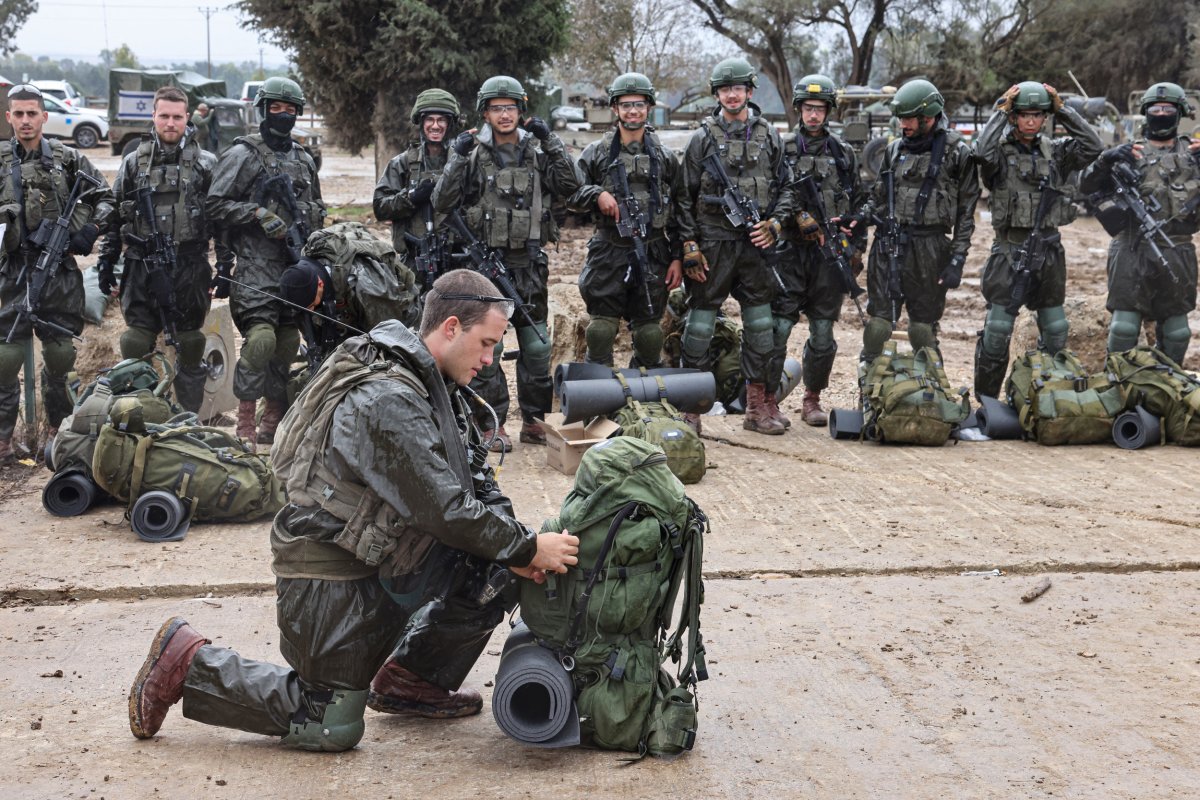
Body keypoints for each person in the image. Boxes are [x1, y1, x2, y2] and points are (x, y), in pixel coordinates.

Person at [127, 269, 581, 752]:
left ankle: (412, 678)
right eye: (486, 343)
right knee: (330, 723)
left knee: (500, 564)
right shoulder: (390, 397)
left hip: (381, 553)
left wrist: (520, 548)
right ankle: (188, 660)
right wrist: (528, 546)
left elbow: (477, 484)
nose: (491, 360)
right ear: (451, 328)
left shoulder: (437, 384)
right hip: (330, 570)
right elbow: (445, 510)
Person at [433, 75, 581, 451]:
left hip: (530, 266)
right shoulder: (472, 154)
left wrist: (553, 141)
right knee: (488, 350)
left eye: (511, 107)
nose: (504, 115)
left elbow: (570, 186)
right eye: (497, 108)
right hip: (487, 269)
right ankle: (490, 423)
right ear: (485, 112)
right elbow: (442, 201)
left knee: (537, 347)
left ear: (521, 111)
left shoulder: (537, 152)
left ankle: (533, 420)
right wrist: (456, 155)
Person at [206, 76, 325, 448]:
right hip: (256, 267)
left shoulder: (304, 159)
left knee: (287, 343)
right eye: (276, 108)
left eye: (291, 110)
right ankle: (244, 424)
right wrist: (256, 213)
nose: (284, 116)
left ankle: (272, 418)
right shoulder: (243, 154)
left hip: (295, 266)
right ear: (263, 110)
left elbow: (318, 209)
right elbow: (214, 205)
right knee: (260, 342)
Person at [677, 58, 793, 435]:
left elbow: (787, 188)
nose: (731, 94)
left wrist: (775, 224)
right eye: (724, 89)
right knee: (699, 326)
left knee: (761, 326)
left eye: (738, 88)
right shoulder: (702, 138)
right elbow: (683, 197)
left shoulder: (770, 136)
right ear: (717, 95)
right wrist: (690, 245)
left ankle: (756, 406)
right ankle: (690, 409)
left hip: (756, 247)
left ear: (750, 92)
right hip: (713, 245)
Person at [0, 83, 113, 464]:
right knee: (5, 357)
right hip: (12, 270)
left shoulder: (68, 160)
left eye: (33, 113)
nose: (26, 121)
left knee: (61, 355)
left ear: (45, 117)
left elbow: (108, 199)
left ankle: (58, 432)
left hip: (59, 271)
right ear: (9, 117)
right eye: (19, 113)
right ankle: (4, 439)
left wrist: (90, 230)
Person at [971, 81, 1102, 399]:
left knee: (1056, 329)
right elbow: (980, 151)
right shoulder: (1000, 155)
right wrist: (1002, 109)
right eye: (1024, 114)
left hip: (1049, 249)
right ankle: (987, 400)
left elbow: (1093, 146)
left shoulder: (1057, 153)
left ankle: (1046, 395)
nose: (1031, 120)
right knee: (998, 329)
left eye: (1038, 114)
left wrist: (1063, 109)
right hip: (1010, 249)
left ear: (1045, 118)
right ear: (1015, 117)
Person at [96, 86, 221, 413]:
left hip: (190, 266)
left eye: (177, 117)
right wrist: (107, 262)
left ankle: (191, 420)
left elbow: (221, 218)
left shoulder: (206, 163)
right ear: (153, 116)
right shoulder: (132, 162)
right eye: (163, 116)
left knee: (191, 342)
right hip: (141, 267)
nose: (170, 123)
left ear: (187, 117)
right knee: (135, 342)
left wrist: (226, 265)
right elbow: (114, 213)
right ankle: (142, 416)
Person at [855, 79, 979, 370]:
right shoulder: (895, 149)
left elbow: (966, 213)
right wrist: (858, 218)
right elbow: (879, 197)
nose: (903, 124)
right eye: (900, 118)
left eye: (909, 118)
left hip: (931, 248)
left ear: (929, 117)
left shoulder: (958, 153)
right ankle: (868, 388)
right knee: (879, 325)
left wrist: (958, 258)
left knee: (922, 329)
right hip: (889, 244)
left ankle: (933, 392)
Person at [568, 72, 689, 368]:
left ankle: (646, 397)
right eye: (625, 105)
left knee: (649, 332)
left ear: (648, 108)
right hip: (609, 250)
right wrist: (597, 194)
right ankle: (599, 396)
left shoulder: (665, 157)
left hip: (654, 251)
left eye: (638, 104)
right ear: (615, 109)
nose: (632, 111)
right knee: (601, 329)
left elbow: (682, 208)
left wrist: (677, 258)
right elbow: (570, 193)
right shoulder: (596, 152)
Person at [1079, 82, 1200, 366]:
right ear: (1146, 112)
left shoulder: (1193, 153)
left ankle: (1166, 391)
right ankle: (1119, 390)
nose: (1161, 113)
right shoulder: (1127, 152)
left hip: (1177, 248)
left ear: (1180, 112)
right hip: (1131, 248)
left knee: (1177, 332)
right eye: (1155, 109)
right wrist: (1104, 161)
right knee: (1123, 327)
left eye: (1168, 109)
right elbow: (1084, 184)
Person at [774, 74, 867, 427]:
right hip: (789, 253)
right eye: (809, 108)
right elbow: (770, 198)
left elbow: (859, 204)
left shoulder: (843, 153)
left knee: (823, 333)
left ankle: (812, 398)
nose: (814, 115)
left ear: (829, 112)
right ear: (799, 110)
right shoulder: (781, 149)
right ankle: (767, 399)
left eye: (820, 109)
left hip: (830, 255)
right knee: (779, 328)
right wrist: (797, 219)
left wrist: (856, 249)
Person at [373, 88, 460, 296]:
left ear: (449, 124)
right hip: (414, 261)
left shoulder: (461, 163)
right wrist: (410, 197)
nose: (436, 125)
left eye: (441, 120)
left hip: (455, 258)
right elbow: (380, 208)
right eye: (430, 119)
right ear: (421, 123)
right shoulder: (402, 163)